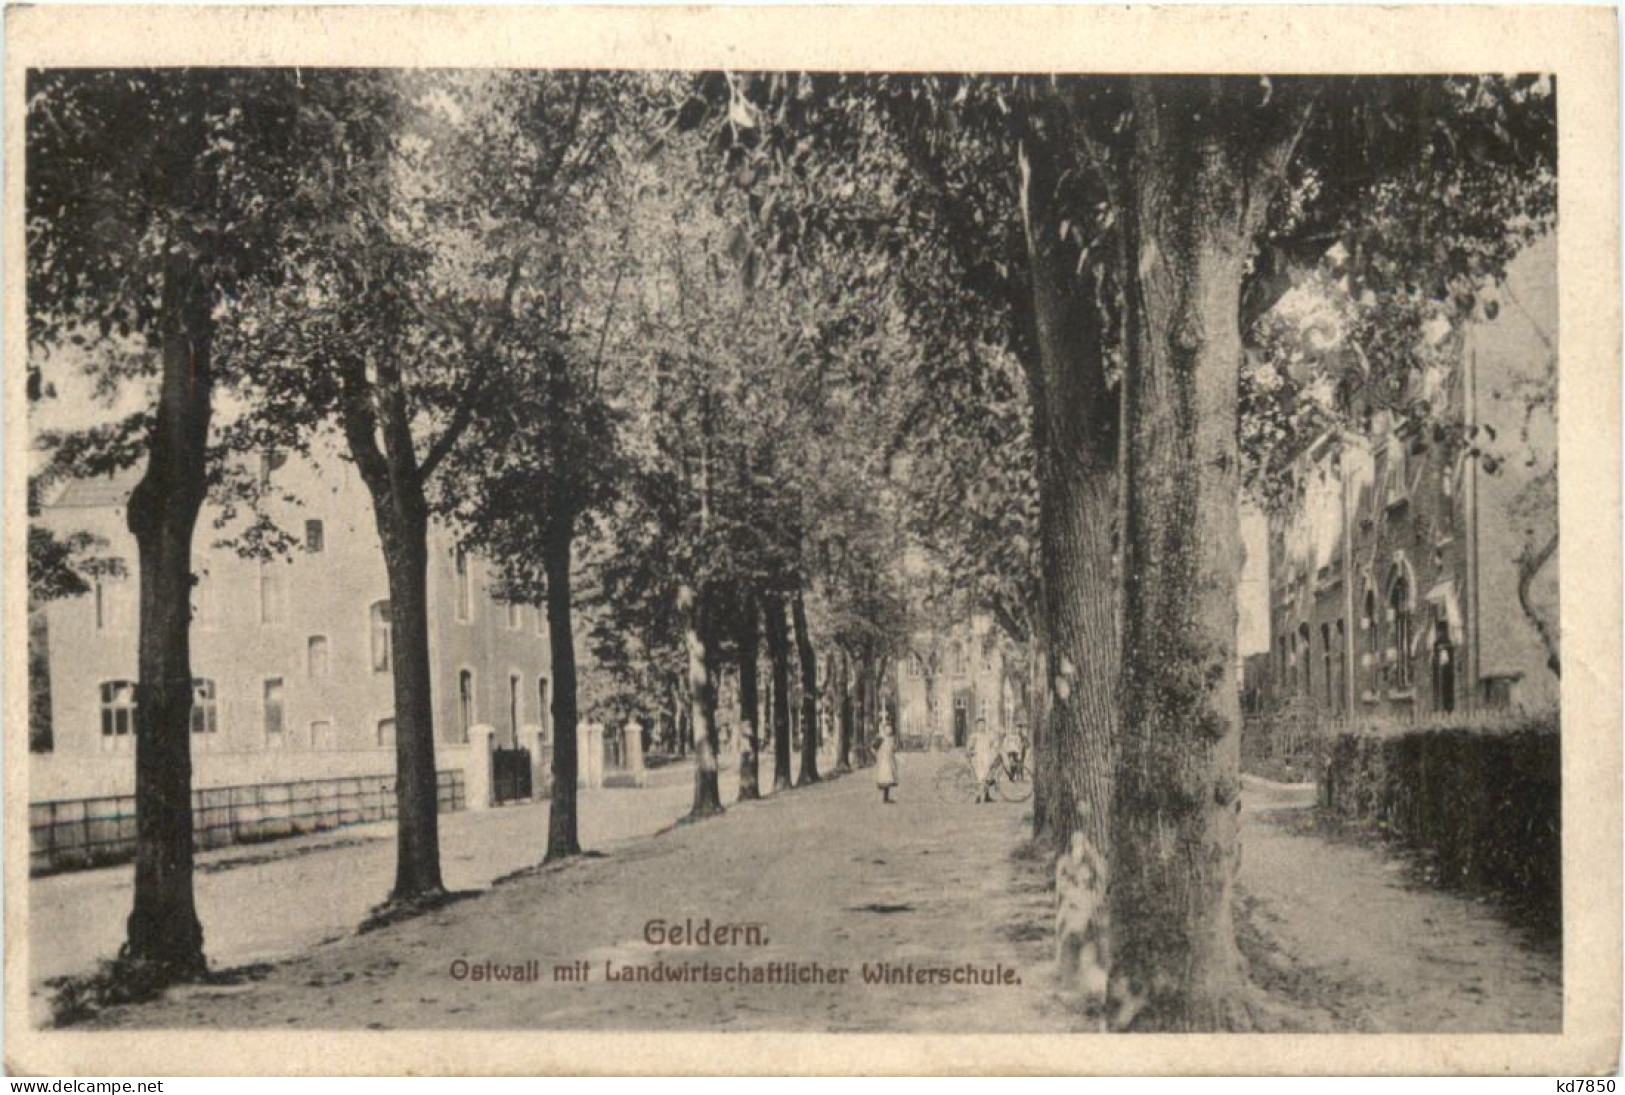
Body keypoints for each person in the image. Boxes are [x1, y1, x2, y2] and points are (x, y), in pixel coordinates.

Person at [968, 717, 999, 804]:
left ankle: (987, 796)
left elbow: (994, 743)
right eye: (980, 725)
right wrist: (972, 753)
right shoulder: (974, 736)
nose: (981, 726)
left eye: (983, 724)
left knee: (989, 777)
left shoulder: (987, 735)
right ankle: (978, 797)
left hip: (987, 757)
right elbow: (969, 747)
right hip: (979, 758)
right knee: (981, 778)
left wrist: (995, 746)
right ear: (977, 726)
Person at [874, 711, 899, 803]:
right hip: (884, 760)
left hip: (888, 758)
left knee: (888, 777)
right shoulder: (882, 736)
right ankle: (885, 798)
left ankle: (886, 797)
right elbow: (875, 746)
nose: (889, 729)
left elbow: (893, 747)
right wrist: (877, 754)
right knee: (886, 777)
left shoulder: (889, 737)